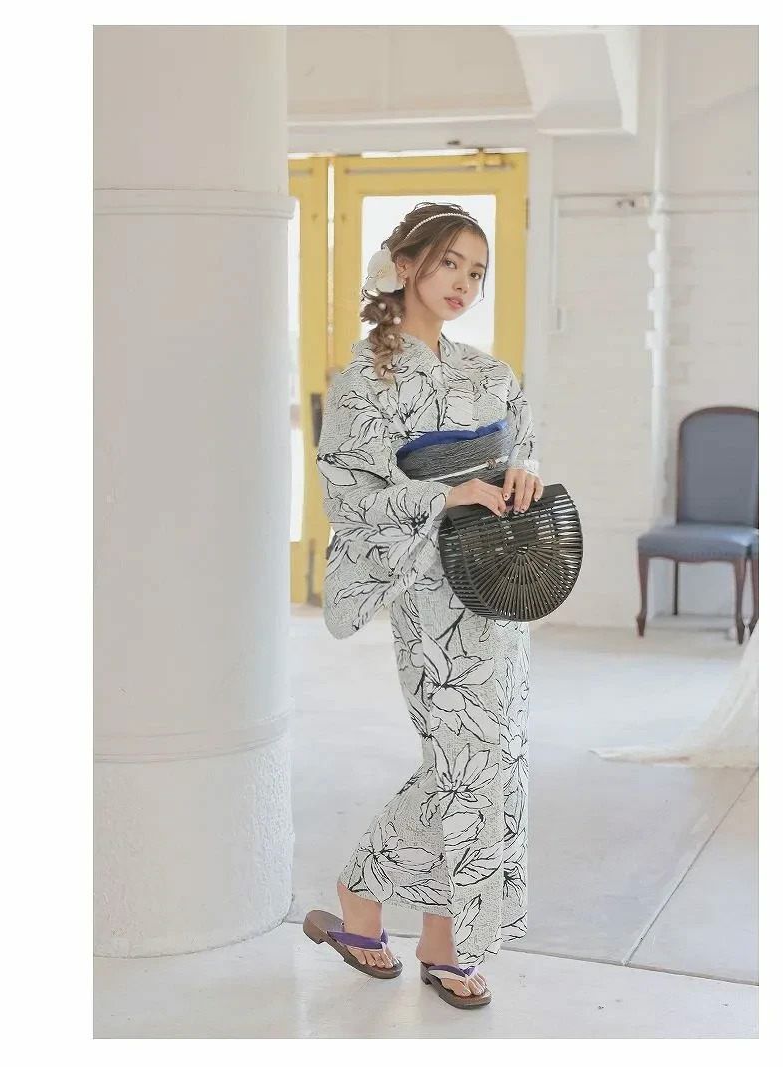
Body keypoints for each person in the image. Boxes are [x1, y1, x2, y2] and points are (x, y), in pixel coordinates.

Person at [303, 202, 543, 1010]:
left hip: (501, 586)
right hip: (428, 592)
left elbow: (523, 445)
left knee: (496, 758)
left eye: (476, 271)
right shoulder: (363, 383)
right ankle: (380, 899)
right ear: (405, 265)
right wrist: (444, 496)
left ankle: (420, 927)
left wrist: (523, 471)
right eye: (449, 264)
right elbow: (348, 497)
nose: (464, 283)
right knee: (467, 760)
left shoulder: (491, 374)